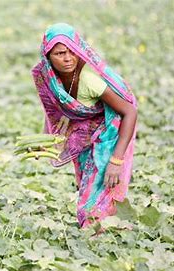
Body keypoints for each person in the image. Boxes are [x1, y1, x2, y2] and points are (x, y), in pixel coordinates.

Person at [32, 23, 138, 229]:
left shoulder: (89, 79)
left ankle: (97, 237)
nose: (68, 58)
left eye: (73, 51)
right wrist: (45, 143)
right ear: (47, 57)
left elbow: (129, 112)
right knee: (88, 187)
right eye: (60, 53)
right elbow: (54, 113)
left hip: (108, 137)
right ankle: (106, 232)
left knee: (95, 197)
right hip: (86, 138)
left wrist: (116, 160)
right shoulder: (50, 79)